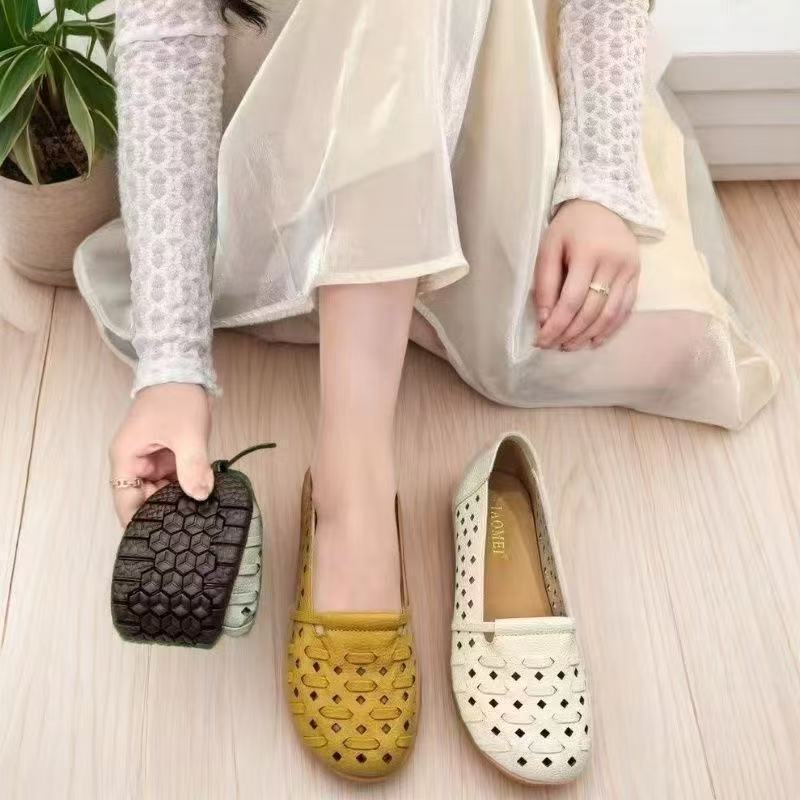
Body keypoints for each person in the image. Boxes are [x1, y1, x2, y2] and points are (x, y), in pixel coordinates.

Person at [74, 0, 776, 778]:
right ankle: (354, 489)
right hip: (291, 84)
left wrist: (600, 186)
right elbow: (167, 30)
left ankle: (374, 295)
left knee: (677, 347)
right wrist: (171, 365)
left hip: (477, 72)